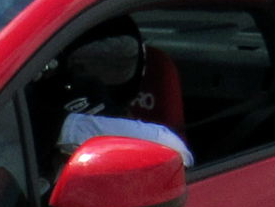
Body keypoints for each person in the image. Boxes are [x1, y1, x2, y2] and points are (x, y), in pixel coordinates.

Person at [36, 19, 193, 168]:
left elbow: (175, 151)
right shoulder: (36, 97)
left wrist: (60, 126)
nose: (81, 68)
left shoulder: (158, 141)